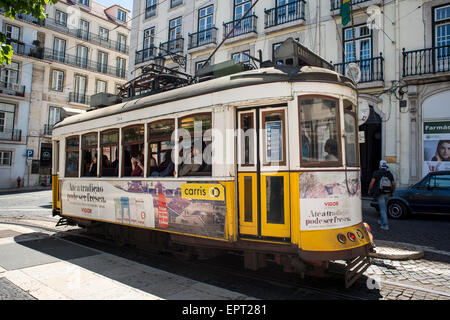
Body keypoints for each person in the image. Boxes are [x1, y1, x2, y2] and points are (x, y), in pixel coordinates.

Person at [368, 160, 395, 231]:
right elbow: (393, 184)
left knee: (382, 209)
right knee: (384, 208)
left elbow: (372, 183)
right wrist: (392, 192)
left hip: (380, 193)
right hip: (388, 193)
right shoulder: (389, 173)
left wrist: (369, 190)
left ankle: (385, 225)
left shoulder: (376, 173)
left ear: (380, 166)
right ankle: (381, 221)